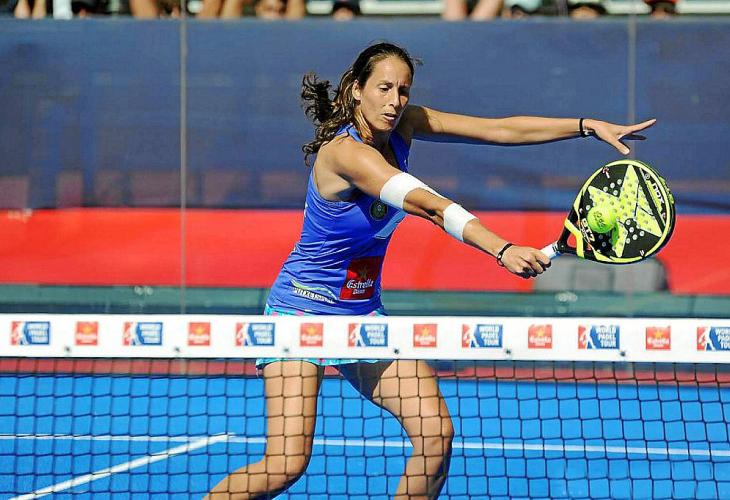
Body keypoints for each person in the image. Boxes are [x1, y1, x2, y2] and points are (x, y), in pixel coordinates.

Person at [206, 42, 656, 499]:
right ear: (356, 89)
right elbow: (430, 206)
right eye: (383, 88)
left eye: (403, 90)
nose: (394, 101)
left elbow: (498, 130)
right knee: (285, 464)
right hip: (301, 314)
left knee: (435, 435)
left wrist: (585, 126)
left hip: (361, 316)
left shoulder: (405, 124)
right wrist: (501, 249)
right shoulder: (345, 154)